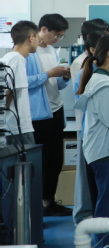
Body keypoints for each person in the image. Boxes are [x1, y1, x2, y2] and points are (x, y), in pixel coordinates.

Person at [74, 33, 109, 247]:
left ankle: (106, 245)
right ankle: (103, 247)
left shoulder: (103, 79)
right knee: (107, 202)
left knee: (107, 199)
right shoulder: (104, 84)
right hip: (103, 152)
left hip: (102, 151)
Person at [31, 14, 72, 216]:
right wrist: (48, 74)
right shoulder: (30, 52)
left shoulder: (52, 51)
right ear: (44, 29)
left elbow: (56, 85)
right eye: (56, 35)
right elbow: (24, 82)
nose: (57, 39)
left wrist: (64, 77)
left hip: (56, 110)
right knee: (42, 162)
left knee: (55, 161)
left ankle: (49, 202)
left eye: (61, 36)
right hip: (39, 115)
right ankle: (37, 207)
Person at [1, 21, 39, 148]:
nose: (38, 42)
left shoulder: (8, 58)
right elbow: (9, 92)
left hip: (9, 127)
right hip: (18, 128)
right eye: (38, 38)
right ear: (31, 38)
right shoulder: (17, 59)